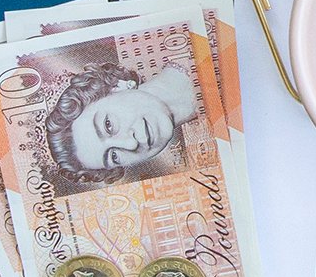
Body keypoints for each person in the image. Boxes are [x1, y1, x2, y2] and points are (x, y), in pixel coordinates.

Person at [43, 59, 199, 185]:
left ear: (117, 85)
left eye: (108, 126)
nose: (130, 145)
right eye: (114, 157)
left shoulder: (195, 57)